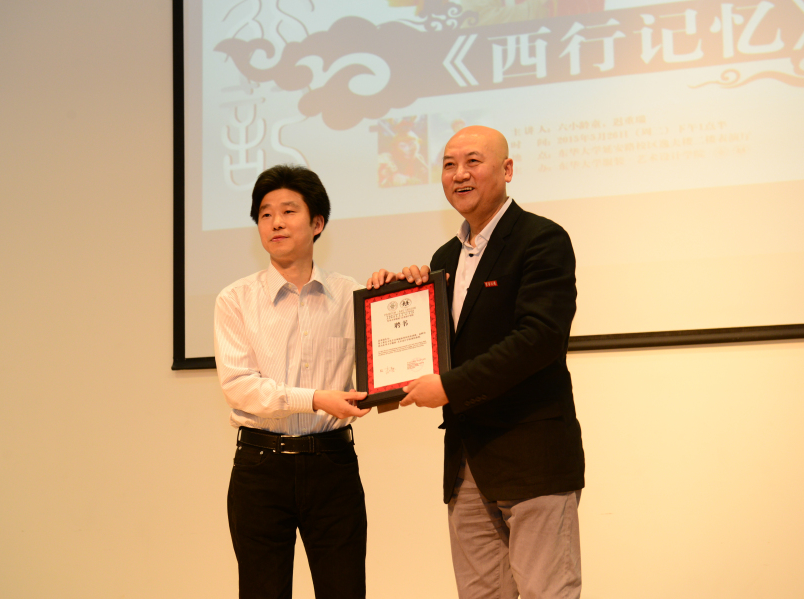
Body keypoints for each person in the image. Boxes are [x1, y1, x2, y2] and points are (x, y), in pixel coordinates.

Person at [368, 126, 584, 599]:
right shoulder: (445, 257)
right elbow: (439, 347)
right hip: (467, 465)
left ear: (507, 170)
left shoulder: (541, 239)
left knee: (547, 592)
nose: (459, 174)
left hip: (532, 457)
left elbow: (538, 340)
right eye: (449, 164)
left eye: (472, 161)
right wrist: (398, 296)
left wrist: (449, 387)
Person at [214, 164, 371, 599]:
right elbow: (240, 386)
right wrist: (316, 398)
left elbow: (385, 366)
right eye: (265, 214)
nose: (275, 223)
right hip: (260, 468)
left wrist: (401, 293)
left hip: (333, 465)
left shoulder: (351, 296)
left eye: (288, 211)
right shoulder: (234, 300)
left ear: (317, 223)